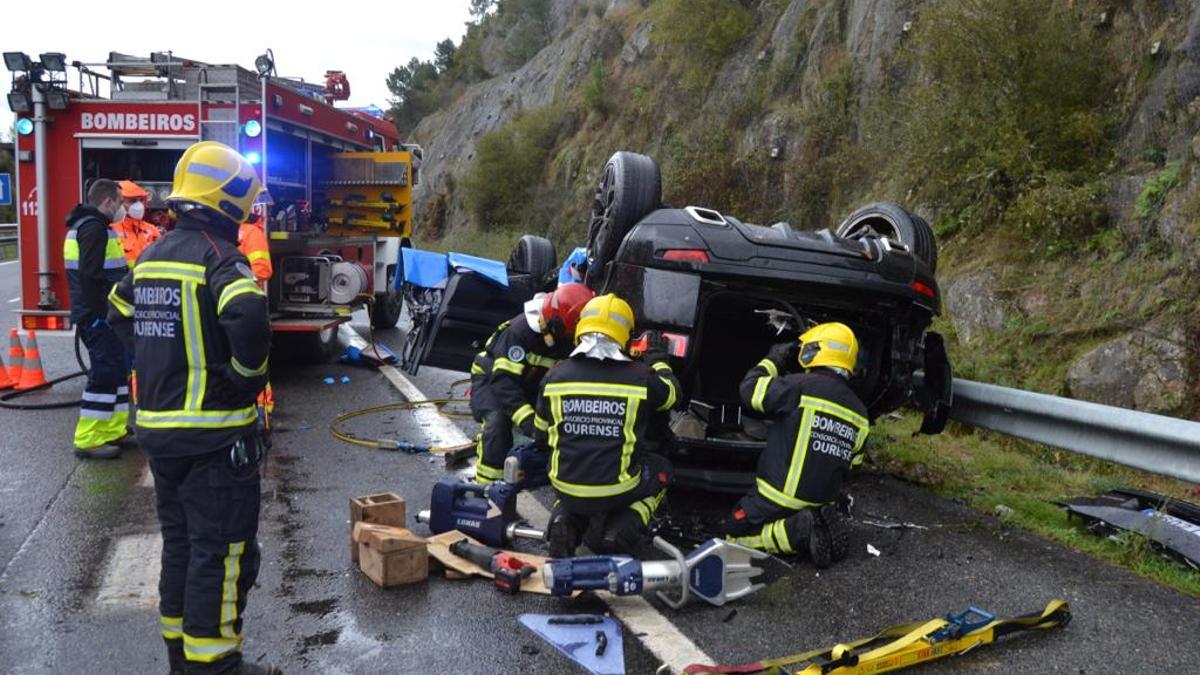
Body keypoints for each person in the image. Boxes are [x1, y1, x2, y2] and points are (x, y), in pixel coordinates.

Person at [108, 141, 279, 675]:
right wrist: (243, 381)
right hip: (213, 436)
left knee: (181, 547)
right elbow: (249, 318)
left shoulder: (154, 253)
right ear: (229, 201)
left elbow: (117, 313)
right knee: (223, 553)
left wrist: (153, 361)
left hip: (160, 431)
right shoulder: (219, 255)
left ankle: (181, 660)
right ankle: (215, 666)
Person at [534, 294, 680, 558]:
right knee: (661, 471)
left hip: (565, 486)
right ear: (625, 335)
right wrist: (658, 360)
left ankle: (563, 523)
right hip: (618, 490)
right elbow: (673, 394)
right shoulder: (641, 378)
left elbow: (540, 436)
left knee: (573, 478)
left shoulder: (554, 376)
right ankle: (620, 531)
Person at [722, 322, 869, 568]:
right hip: (824, 500)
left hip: (777, 498)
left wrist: (774, 359)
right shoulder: (861, 412)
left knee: (731, 533)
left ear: (815, 351)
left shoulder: (797, 386)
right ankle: (814, 523)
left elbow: (750, 391)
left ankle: (796, 533)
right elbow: (853, 464)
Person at [469, 282, 595, 484]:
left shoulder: (566, 336)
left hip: (530, 383)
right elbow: (504, 383)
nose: (574, 339)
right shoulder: (519, 332)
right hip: (492, 379)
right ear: (557, 324)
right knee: (498, 423)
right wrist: (529, 422)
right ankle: (487, 489)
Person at [65, 179, 132, 459]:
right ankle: (89, 438)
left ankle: (112, 430)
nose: (122, 208)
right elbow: (91, 277)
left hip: (102, 314)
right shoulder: (93, 229)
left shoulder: (90, 226)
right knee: (105, 372)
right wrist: (103, 315)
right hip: (99, 316)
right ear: (107, 203)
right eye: (120, 202)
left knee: (117, 371)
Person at [238, 211, 274, 427]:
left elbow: (262, 270)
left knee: (252, 362)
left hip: (247, 305)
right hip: (228, 306)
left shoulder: (251, 233)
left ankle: (261, 415)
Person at [111, 180, 162, 265]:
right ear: (119, 202)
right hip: (122, 277)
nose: (139, 205)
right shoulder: (112, 231)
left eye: (141, 200)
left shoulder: (152, 230)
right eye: (133, 201)